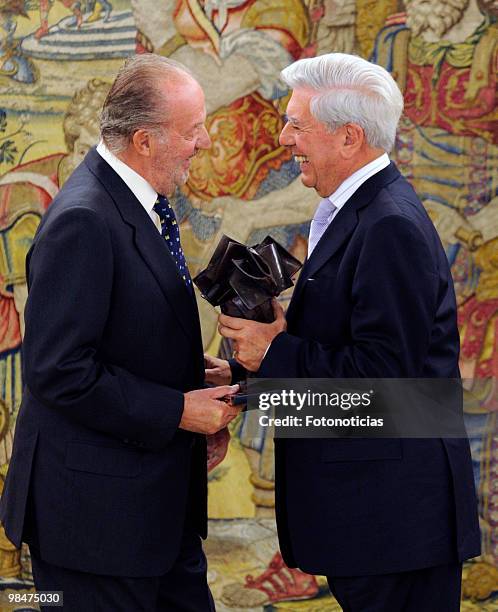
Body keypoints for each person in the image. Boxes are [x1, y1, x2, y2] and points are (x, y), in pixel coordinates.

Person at [211, 52, 481, 611]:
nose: (284, 138)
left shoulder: (389, 227)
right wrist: (248, 378)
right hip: (377, 521)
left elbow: (386, 391)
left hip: (394, 525)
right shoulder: (359, 211)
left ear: (350, 137)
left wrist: (275, 352)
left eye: (296, 125)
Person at [0, 53, 239, 611]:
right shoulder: (84, 219)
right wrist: (178, 410)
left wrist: (192, 383)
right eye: (194, 129)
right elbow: (59, 372)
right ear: (144, 141)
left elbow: (123, 336)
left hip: (152, 511)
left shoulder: (139, 201)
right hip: (97, 524)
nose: (205, 142)